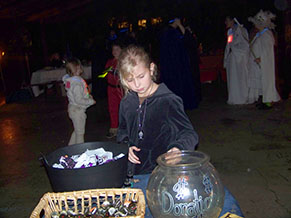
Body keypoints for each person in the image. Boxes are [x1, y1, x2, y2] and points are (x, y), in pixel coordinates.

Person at [116, 45, 198, 176]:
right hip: (134, 172)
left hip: (162, 172)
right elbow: (122, 132)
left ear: (151, 69)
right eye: (130, 80)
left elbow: (188, 133)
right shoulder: (127, 102)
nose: (137, 85)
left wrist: (178, 148)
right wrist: (126, 146)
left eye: (141, 76)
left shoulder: (168, 100)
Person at [159, 18, 199, 110]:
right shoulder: (172, 33)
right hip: (177, 66)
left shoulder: (166, 33)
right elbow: (188, 42)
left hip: (171, 66)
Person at [248, 10, 281, 109]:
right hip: (259, 64)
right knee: (261, 81)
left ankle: (267, 102)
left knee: (266, 81)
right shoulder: (260, 34)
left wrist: (261, 58)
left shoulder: (266, 34)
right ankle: (262, 99)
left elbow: (267, 50)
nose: (255, 25)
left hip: (264, 63)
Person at [62, 58, 96, 145]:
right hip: (78, 110)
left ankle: (70, 148)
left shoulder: (72, 81)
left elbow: (79, 95)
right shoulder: (76, 84)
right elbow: (79, 100)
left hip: (74, 109)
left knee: (77, 131)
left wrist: (88, 96)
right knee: (80, 133)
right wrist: (90, 101)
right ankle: (79, 150)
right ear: (78, 68)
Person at [223, 16, 249, 105]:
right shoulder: (230, 32)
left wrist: (234, 50)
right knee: (232, 79)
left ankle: (242, 97)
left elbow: (245, 45)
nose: (225, 22)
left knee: (240, 78)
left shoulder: (241, 30)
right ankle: (234, 97)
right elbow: (229, 44)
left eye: (227, 20)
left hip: (239, 60)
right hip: (232, 59)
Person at [104, 41, 124, 138]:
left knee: (124, 108)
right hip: (111, 88)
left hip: (121, 89)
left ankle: (126, 130)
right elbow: (104, 75)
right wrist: (107, 72)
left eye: (117, 49)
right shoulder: (109, 62)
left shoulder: (124, 62)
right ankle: (114, 128)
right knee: (113, 108)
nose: (115, 52)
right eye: (113, 50)